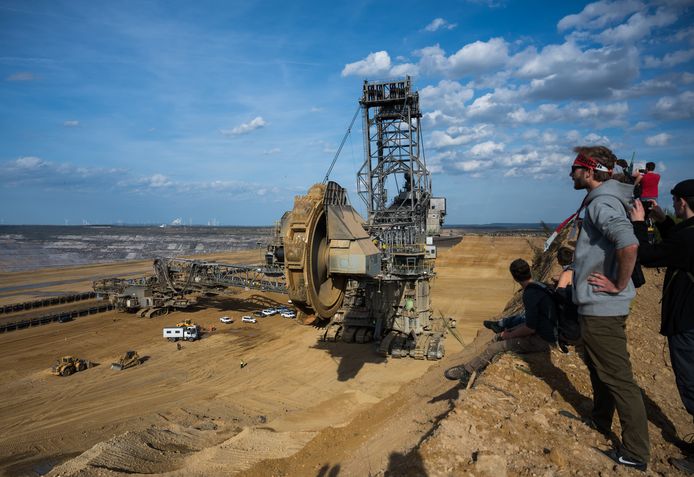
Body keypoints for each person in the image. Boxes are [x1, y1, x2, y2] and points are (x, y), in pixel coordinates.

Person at [569, 145, 650, 471]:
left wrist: (617, 283)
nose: (570, 174)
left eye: (574, 168)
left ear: (589, 172)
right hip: (597, 305)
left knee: (618, 379)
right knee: (599, 369)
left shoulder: (602, 204)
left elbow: (628, 243)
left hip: (603, 306)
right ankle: (601, 420)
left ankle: (635, 453)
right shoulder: (604, 200)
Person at [630, 179, 694, 474]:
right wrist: (663, 220)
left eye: (675, 201)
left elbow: (647, 255)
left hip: (686, 320)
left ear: (683, 202)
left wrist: (640, 224)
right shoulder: (688, 233)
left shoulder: (687, 239)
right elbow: (679, 242)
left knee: (691, 385)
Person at [444, 258, 557, 383]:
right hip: (549, 332)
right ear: (529, 271)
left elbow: (530, 328)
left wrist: (508, 335)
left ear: (514, 277)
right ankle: (480, 366)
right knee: (501, 335)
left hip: (542, 340)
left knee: (496, 347)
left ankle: (467, 371)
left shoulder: (530, 294)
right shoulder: (539, 286)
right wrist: (509, 332)